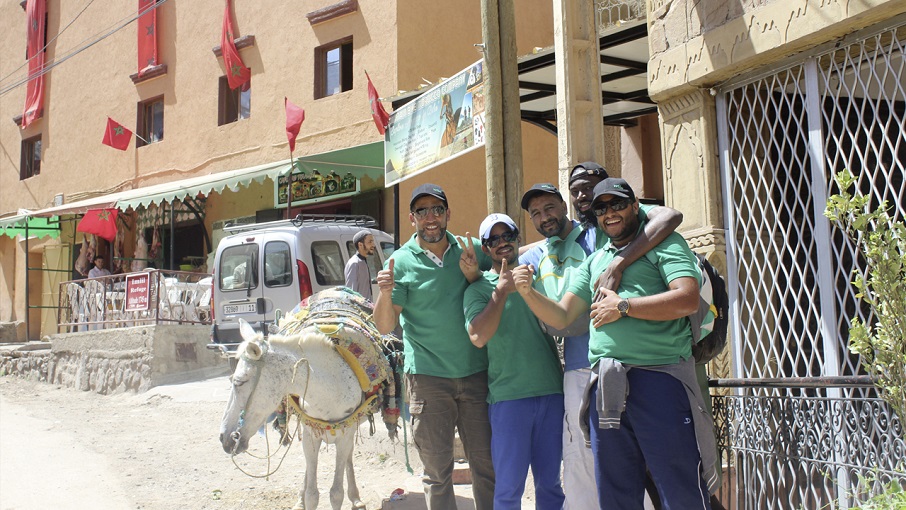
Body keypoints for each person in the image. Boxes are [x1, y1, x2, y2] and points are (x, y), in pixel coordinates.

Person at [513, 178, 719, 509]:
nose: (609, 213)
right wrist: (528, 292)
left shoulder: (665, 244)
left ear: (636, 206)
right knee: (616, 492)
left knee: (678, 488)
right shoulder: (596, 262)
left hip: (660, 379)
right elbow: (562, 316)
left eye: (617, 204)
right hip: (606, 385)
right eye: (601, 207)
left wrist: (623, 307)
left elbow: (687, 300)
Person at [374, 183, 495, 510]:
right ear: (412, 218)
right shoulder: (399, 261)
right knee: (437, 472)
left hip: (477, 374)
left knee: (487, 466)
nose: (431, 217)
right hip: (428, 381)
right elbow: (384, 325)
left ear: (447, 214)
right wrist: (385, 293)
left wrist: (475, 276)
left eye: (437, 209)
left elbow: (501, 275)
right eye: (422, 211)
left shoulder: (470, 251)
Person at [464, 213, 565, 510]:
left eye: (506, 235)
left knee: (551, 486)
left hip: (551, 392)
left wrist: (526, 287)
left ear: (517, 237)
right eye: (493, 240)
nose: (502, 243)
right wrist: (500, 292)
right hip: (509, 399)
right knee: (508, 490)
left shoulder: (539, 277)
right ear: (485, 249)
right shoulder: (478, 290)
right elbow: (478, 336)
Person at [344, 229, 376, 301]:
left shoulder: (363, 261)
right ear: (360, 245)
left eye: (373, 241)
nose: (373, 245)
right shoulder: (354, 263)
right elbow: (351, 293)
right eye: (370, 242)